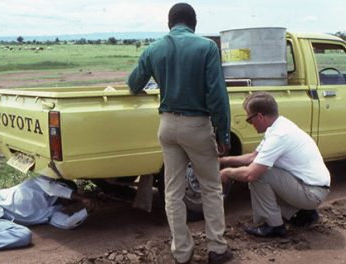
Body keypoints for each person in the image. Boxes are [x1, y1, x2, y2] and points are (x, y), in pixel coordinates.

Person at [127, 3, 233, 264]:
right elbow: (217, 96)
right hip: (197, 125)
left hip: (167, 126)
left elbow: (133, 84)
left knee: (173, 192)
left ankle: (182, 252)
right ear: (193, 23)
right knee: (210, 187)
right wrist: (223, 134)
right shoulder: (207, 48)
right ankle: (217, 249)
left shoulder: (154, 48)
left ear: (169, 24)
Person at [220, 92, 331, 237]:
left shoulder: (279, 136)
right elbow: (253, 156)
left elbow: (251, 173)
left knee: (259, 175)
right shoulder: (280, 126)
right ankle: (304, 214)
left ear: (259, 116)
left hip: (312, 193)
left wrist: (226, 173)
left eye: (249, 119)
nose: (251, 124)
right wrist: (222, 161)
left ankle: (274, 226)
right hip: (314, 187)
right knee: (263, 167)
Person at [0, 175, 94, 255]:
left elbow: (67, 223)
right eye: (69, 195)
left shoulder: (53, 211)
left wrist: (87, 210)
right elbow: (54, 188)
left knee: (24, 235)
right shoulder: (41, 183)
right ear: (64, 188)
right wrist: (80, 197)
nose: (69, 201)